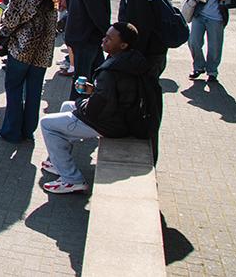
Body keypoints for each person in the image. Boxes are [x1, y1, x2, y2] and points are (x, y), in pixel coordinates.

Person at [39, 22, 152, 194]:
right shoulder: (129, 60)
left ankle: (71, 179)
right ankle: (58, 161)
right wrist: (92, 90)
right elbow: (114, 95)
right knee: (65, 106)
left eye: (109, 39)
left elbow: (95, 109)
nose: (104, 40)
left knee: (48, 124)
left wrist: (80, 103)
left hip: (111, 124)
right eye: (105, 36)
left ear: (123, 45)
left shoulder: (112, 69)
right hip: (121, 118)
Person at [0, 0, 58, 142]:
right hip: (43, 50)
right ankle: (28, 129)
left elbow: (12, 19)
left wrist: (0, 28)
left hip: (22, 48)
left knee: (14, 89)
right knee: (33, 91)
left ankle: (12, 130)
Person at [97, 0, 169, 78]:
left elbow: (140, 29)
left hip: (147, 55)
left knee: (142, 93)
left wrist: (130, 60)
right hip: (149, 52)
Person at [63, 0, 110, 99]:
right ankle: (75, 110)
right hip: (86, 38)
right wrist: (109, 34)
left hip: (80, 35)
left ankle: (87, 106)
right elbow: (98, 15)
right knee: (82, 78)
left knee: (95, 74)